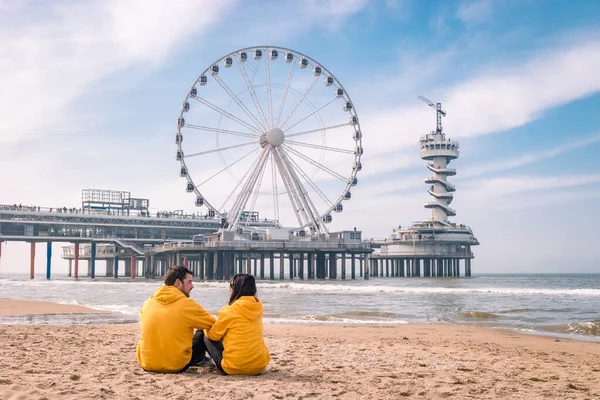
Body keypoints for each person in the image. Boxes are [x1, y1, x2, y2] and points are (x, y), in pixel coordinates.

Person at [136, 266, 215, 373]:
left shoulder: (148, 303)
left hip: (147, 363)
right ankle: (199, 360)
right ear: (178, 283)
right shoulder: (187, 305)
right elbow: (212, 323)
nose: (192, 286)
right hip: (176, 365)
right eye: (189, 282)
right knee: (202, 331)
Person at [204, 273, 270, 375]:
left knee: (204, 334)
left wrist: (206, 326)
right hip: (259, 366)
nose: (229, 289)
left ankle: (198, 360)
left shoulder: (229, 310)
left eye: (231, 286)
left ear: (237, 289)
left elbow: (213, 336)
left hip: (234, 367)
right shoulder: (258, 308)